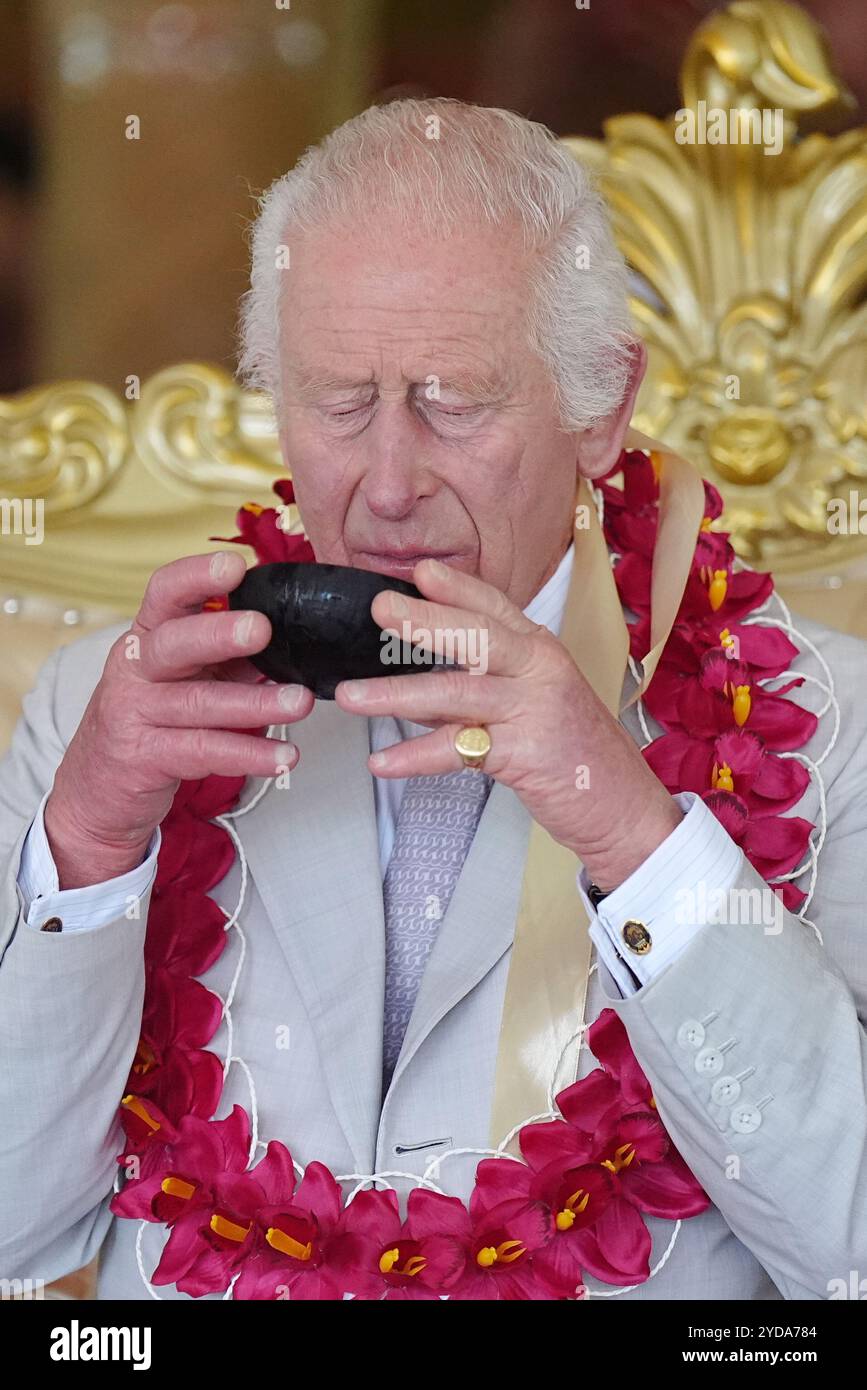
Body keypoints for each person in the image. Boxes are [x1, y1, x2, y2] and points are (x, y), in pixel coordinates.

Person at [1, 99, 865, 1301]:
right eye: (340, 404)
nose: (389, 484)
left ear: (603, 407)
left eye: (453, 400)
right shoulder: (115, 709)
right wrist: (91, 849)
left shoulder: (831, 732)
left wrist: (635, 834)